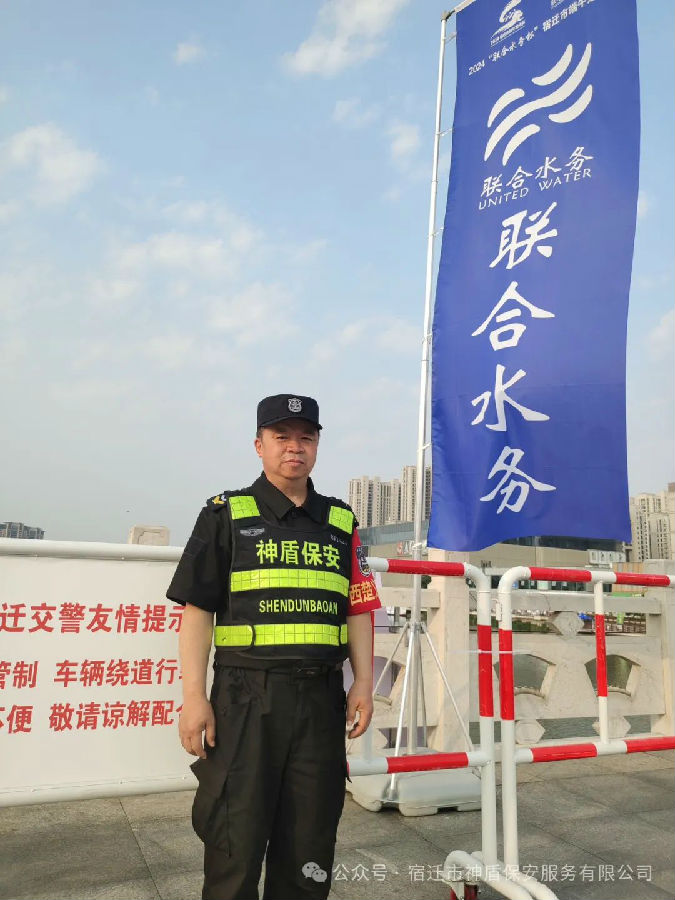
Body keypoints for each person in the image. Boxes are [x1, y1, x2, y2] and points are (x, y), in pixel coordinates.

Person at [166, 393, 381, 900]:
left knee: (309, 847)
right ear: (259, 445)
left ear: (317, 445)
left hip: (321, 703)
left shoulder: (341, 521)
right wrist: (193, 697)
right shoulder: (225, 514)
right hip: (245, 700)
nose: (294, 447)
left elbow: (357, 609)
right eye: (281, 436)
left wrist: (364, 684)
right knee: (234, 845)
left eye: (306, 437)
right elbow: (197, 611)